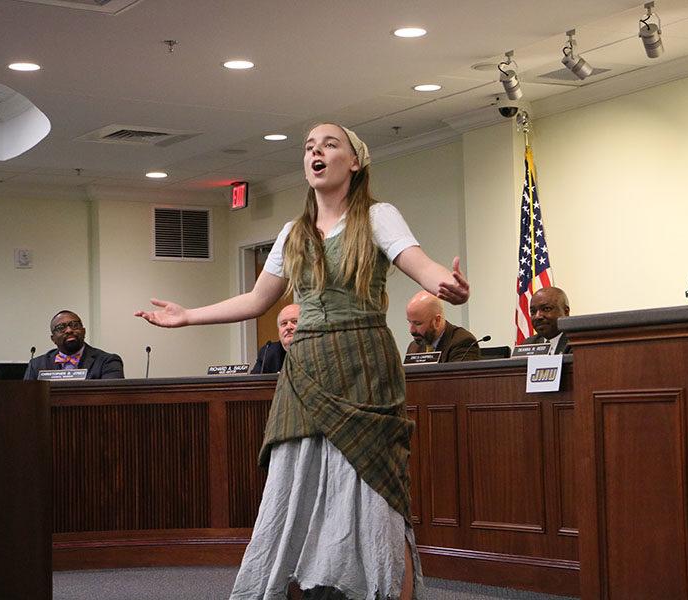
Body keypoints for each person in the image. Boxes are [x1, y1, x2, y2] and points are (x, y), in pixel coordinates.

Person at [136, 123, 469, 599]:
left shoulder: (378, 217)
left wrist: (444, 284)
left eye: (329, 145)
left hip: (364, 365)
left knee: (377, 495)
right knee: (290, 489)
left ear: (355, 162)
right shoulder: (292, 232)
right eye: (309, 147)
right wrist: (188, 316)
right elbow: (256, 300)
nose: (316, 152)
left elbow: (418, 261)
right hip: (305, 369)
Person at [24, 310, 124, 380]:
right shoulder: (36, 365)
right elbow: (27, 399)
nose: (69, 330)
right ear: (53, 339)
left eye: (74, 325)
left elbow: (112, 399)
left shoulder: (107, 362)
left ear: (84, 331)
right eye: (60, 327)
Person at [405, 290, 480, 362]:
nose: (412, 330)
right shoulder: (414, 347)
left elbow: (459, 375)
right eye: (409, 322)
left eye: (418, 323)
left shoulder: (463, 342)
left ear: (437, 321)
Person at [520, 286, 572, 354]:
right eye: (533, 311)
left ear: (566, 312)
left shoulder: (577, 343)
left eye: (546, 309)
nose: (537, 316)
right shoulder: (528, 344)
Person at [251, 303, 300, 374]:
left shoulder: (316, 350)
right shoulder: (268, 352)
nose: (288, 327)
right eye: (284, 323)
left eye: (295, 322)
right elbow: (254, 383)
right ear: (279, 330)